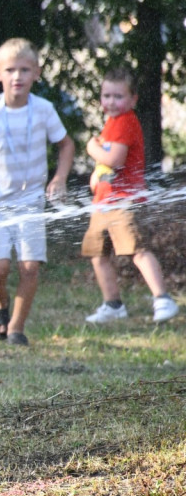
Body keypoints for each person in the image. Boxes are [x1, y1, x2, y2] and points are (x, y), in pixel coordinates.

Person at [0, 38, 75, 347]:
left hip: (31, 202)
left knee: (30, 267)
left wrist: (59, 178)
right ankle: (0, 301)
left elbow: (66, 145)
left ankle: (16, 329)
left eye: (25, 69)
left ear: (37, 73)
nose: (17, 76)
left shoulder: (45, 111)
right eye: (10, 70)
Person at [81, 68, 179, 324]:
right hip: (103, 202)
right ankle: (113, 305)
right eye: (106, 96)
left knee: (137, 251)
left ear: (133, 99)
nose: (111, 102)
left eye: (118, 96)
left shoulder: (125, 122)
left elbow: (114, 158)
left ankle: (163, 299)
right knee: (97, 254)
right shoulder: (112, 122)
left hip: (124, 202)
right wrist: (97, 175)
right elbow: (109, 162)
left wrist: (91, 148)